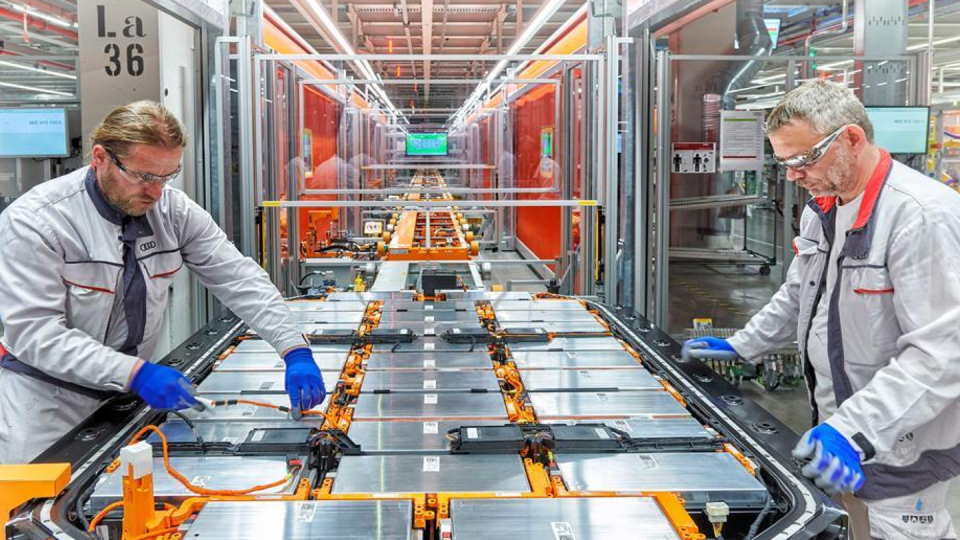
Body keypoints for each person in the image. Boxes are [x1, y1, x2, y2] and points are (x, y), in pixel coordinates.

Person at [683, 80, 960, 540]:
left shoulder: (922, 216)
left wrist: (852, 431)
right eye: (784, 162)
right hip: (841, 428)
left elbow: (941, 352)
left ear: (851, 138)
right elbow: (800, 294)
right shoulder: (824, 210)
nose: (793, 175)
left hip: (899, 442)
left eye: (802, 159)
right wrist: (743, 344)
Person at [0, 101, 325, 464]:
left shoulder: (173, 210)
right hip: (48, 406)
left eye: (167, 176)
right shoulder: (37, 222)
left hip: (124, 401)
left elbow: (239, 277)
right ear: (100, 157)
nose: (155, 192)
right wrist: (135, 373)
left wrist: (294, 349)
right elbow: (36, 333)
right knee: (35, 511)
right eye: (143, 176)